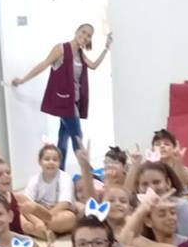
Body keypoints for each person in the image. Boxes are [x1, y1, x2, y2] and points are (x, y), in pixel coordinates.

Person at [11, 24, 113, 168]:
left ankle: (60, 172)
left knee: (63, 138)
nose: (85, 37)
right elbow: (44, 64)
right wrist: (23, 80)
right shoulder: (61, 49)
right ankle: (87, 171)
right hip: (64, 102)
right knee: (77, 136)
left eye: (89, 35)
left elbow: (94, 65)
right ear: (76, 31)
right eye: (83, 32)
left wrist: (106, 48)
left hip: (75, 102)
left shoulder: (80, 54)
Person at [22, 143, 77, 235]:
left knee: (70, 218)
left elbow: (64, 204)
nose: (51, 162)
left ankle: (36, 229)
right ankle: (40, 229)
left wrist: (45, 216)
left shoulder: (65, 178)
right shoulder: (34, 179)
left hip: (58, 212)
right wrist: (35, 219)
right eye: (47, 159)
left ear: (60, 162)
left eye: (55, 160)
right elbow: (26, 202)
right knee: (19, 212)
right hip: (39, 211)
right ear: (40, 161)